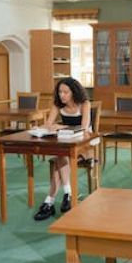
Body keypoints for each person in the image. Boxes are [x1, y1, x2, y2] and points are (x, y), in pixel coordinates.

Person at [33, 77, 91, 221]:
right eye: (60, 92)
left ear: (74, 92)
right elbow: (49, 124)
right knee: (61, 154)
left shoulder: (84, 104)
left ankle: (50, 202)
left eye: (66, 92)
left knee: (59, 160)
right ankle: (66, 194)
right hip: (67, 144)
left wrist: (61, 126)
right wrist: (38, 128)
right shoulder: (57, 105)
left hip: (85, 145)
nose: (62, 95)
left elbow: (84, 128)